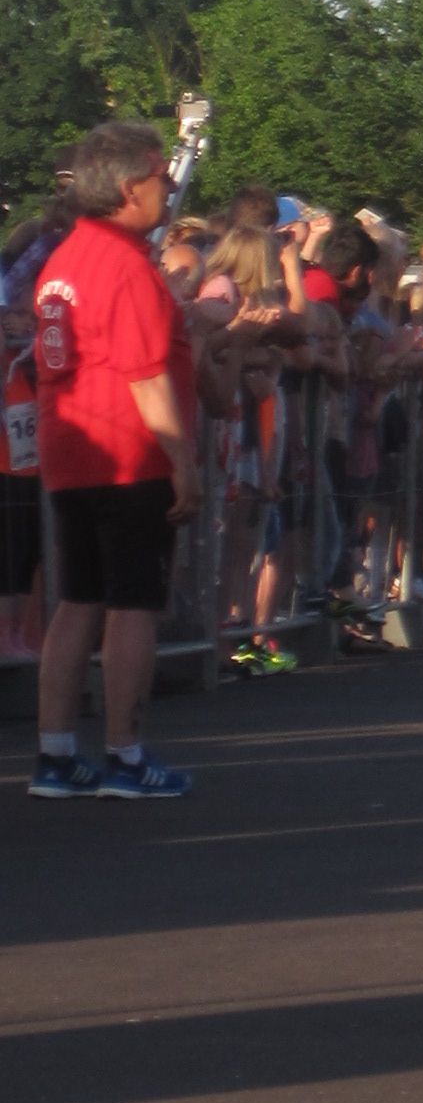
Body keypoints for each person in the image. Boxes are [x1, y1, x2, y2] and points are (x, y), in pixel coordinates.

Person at [30, 122, 203, 799]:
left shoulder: (65, 258)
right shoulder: (124, 264)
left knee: (79, 599)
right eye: (161, 176)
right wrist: (182, 460)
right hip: (129, 453)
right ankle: (125, 756)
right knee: (133, 603)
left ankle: (55, 754)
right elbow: (145, 376)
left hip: (71, 447)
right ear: (132, 187)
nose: (168, 187)